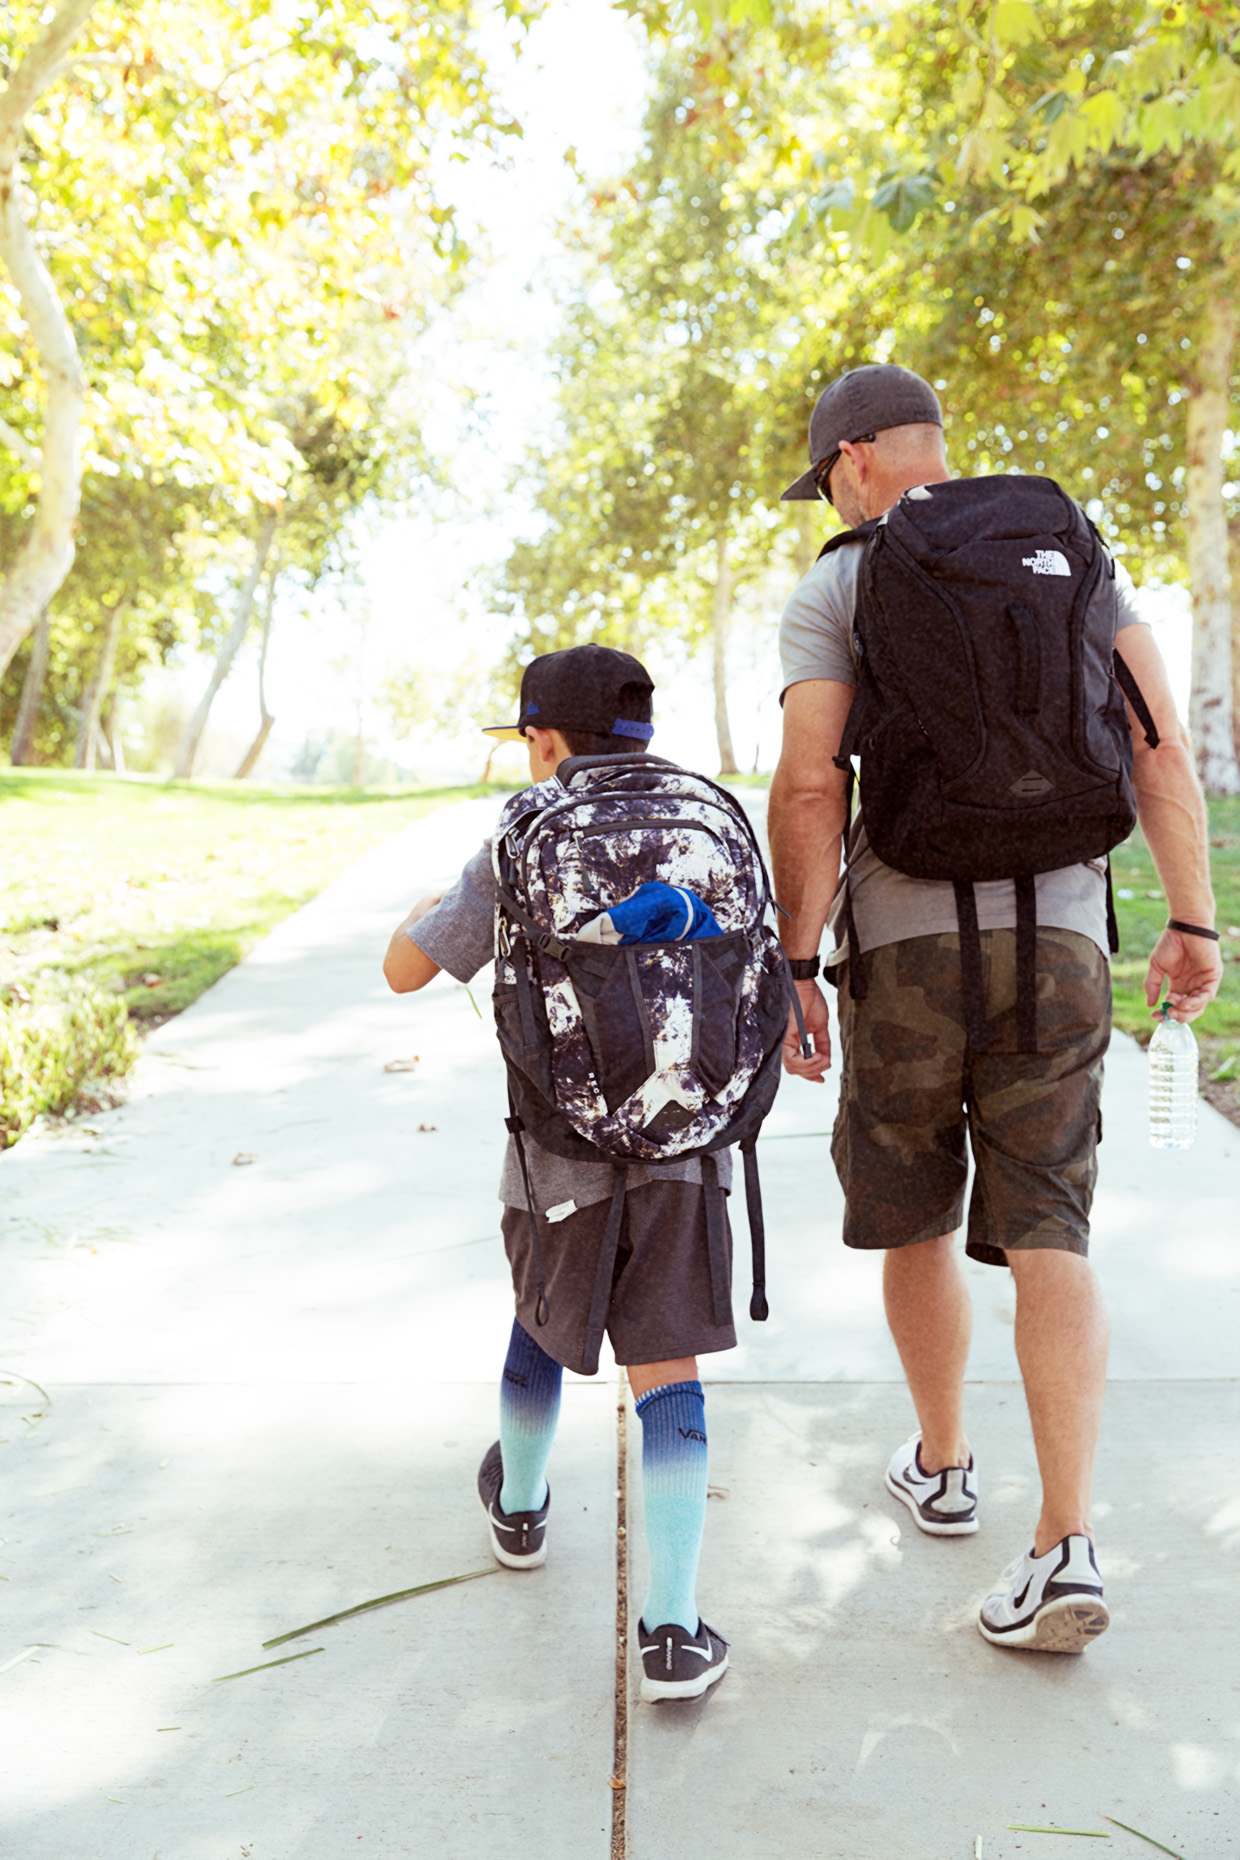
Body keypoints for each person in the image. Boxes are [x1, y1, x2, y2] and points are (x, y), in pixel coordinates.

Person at [768, 363, 1223, 1652]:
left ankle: (946, 1461)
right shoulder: (1069, 555)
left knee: (913, 1206)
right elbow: (1157, 748)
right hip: (1064, 942)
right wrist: (1191, 922)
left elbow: (810, 788)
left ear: (855, 458)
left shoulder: (843, 580)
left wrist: (796, 965)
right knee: (1051, 1226)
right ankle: (1066, 1538)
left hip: (905, 949)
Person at [383, 643, 737, 1703]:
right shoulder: (707, 818)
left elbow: (405, 969)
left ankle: (522, 1509)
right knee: (666, 1365)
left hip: (555, 1152)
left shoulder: (521, 831)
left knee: (542, 1316)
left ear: (544, 740)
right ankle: (671, 1633)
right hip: (683, 1138)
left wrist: (438, 901)